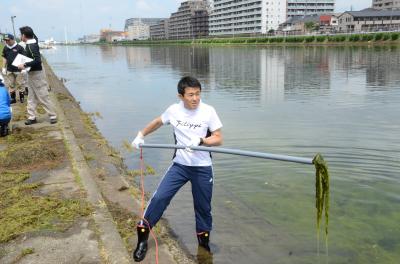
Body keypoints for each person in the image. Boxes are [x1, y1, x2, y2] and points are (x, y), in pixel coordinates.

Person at [131, 76, 223, 262]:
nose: (195, 98)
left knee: (203, 208)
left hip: (202, 168)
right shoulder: (173, 111)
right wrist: (141, 135)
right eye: (191, 95)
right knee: (159, 198)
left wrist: (202, 140)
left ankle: (203, 246)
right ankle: (142, 240)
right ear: (181, 96)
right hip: (180, 165)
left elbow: (218, 138)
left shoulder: (208, 111)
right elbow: (158, 122)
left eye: (198, 94)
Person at [17, 26, 57, 125]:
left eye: (20, 34)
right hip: (31, 73)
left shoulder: (31, 46)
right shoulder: (33, 42)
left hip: (36, 74)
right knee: (31, 96)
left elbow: (38, 60)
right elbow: (35, 37)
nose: (19, 36)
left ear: (23, 36)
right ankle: (32, 116)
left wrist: (24, 65)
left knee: (43, 95)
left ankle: (52, 115)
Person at [2, 33, 27, 104]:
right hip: (10, 69)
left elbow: (24, 58)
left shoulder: (19, 47)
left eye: (8, 40)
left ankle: (22, 98)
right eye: (6, 41)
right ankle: (13, 99)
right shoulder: (6, 48)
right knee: (11, 84)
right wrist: (3, 67)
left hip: (18, 70)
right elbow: (4, 57)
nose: (7, 42)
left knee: (20, 84)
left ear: (13, 40)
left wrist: (24, 69)